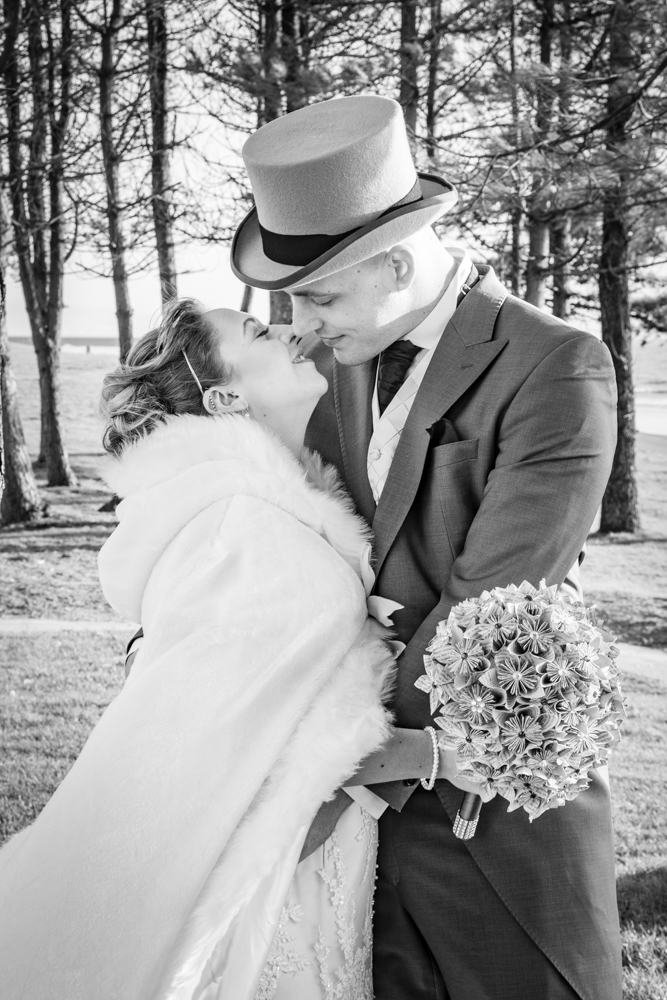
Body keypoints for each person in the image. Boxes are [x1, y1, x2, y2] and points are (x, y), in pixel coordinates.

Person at [231, 94, 624, 1000]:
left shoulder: (555, 365)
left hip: (485, 815)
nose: (298, 324)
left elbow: (493, 591)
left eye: (317, 294)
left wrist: (328, 748)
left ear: (395, 262)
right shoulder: (330, 360)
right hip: (344, 841)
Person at [0, 300, 482, 1000]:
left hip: (307, 877)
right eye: (258, 332)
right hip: (260, 901)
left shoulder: (252, 512)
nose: (289, 329)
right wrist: (434, 756)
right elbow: (242, 755)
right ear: (225, 397)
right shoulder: (246, 528)